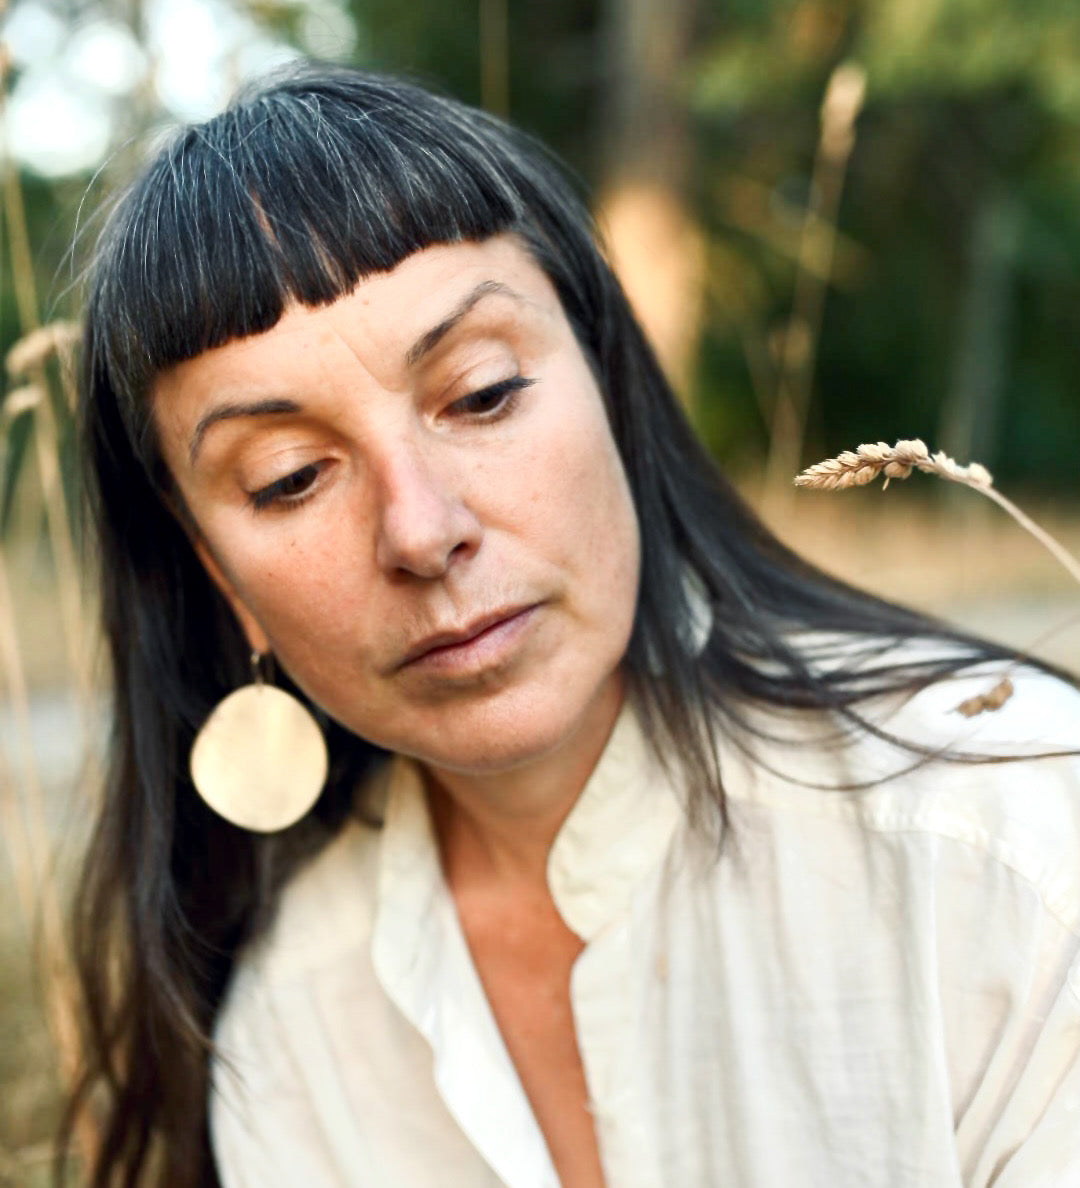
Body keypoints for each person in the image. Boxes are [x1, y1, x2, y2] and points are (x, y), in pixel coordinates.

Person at [62, 63, 1079, 1188]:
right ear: (218, 572)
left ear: (606, 379)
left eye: (482, 393)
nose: (421, 529)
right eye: (291, 476)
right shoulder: (293, 1034)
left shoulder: (1007, 849)